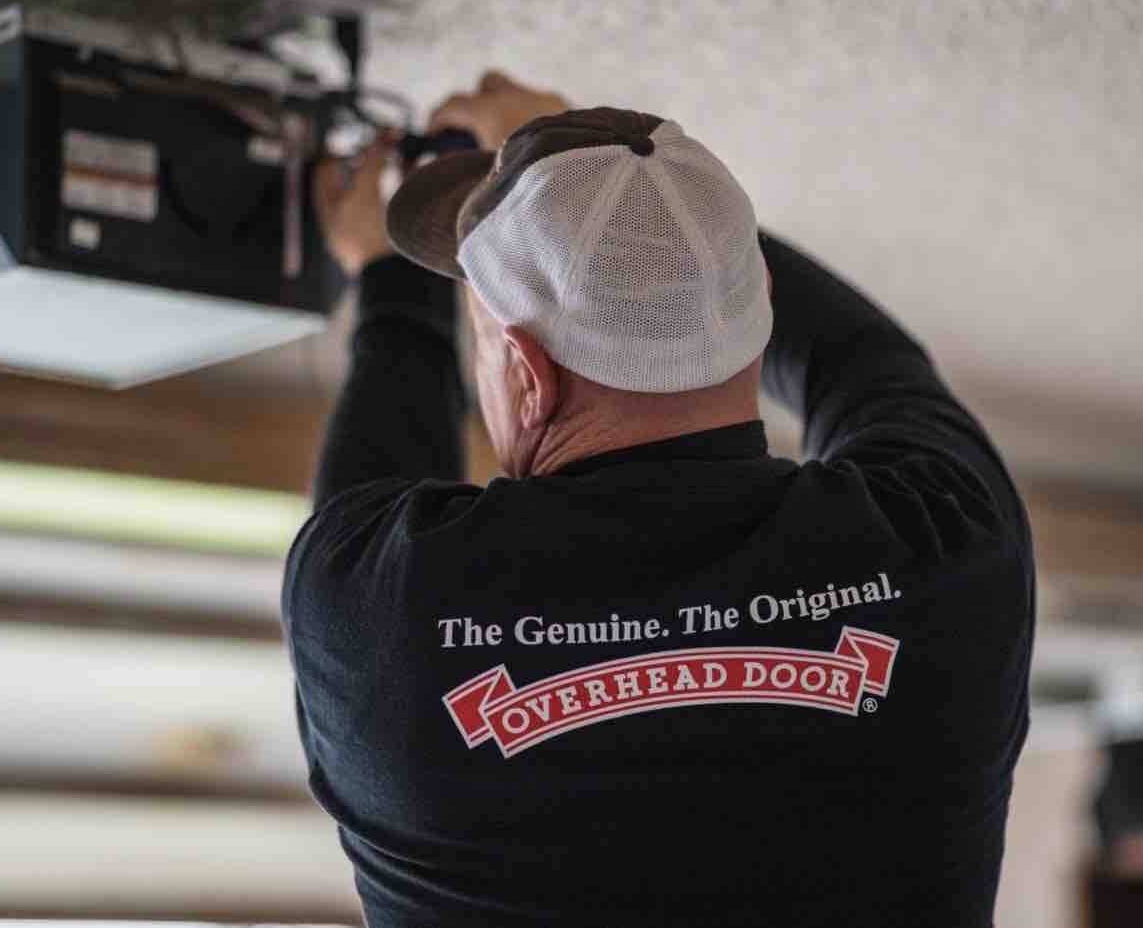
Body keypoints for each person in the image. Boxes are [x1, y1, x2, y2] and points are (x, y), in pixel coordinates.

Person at [283, 71, 1034, 928]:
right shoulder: (947, 537)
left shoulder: (371, 595)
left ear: (525, 374)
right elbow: (867, 363)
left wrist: (404, 271)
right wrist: (401, 276)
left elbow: (856, 360)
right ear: (762, 308)